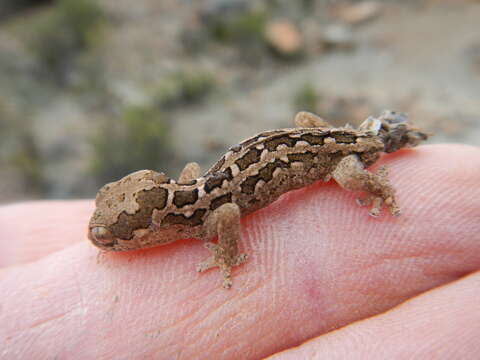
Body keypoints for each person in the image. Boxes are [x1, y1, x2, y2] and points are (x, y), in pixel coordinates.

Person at [1, 144, 479, 359]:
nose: (102, 240)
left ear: (156, 228)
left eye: (118, 236)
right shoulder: (192, 195)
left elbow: (227, 216)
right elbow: (198, 179)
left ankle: (383, 180)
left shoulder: (203, 215)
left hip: (321, 160)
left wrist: (227, 255)